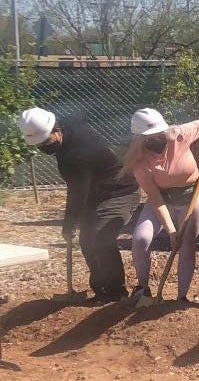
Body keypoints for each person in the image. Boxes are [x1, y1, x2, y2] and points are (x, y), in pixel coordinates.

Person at [18, 107, 138, 303]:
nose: (43, 148)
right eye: (39, 144)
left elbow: (77, 195)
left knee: (101, 238)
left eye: (46, 142)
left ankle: (116, 291)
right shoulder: (69, 124)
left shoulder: (76, 156)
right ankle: (101, 289)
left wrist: (68, 225)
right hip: (95, 192)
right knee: (86, 241)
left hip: (119, 191)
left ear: (57, 130)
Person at [122, 108, 199, 305]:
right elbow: (156, 199)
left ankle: (182, 297)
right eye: (151, 136)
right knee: (140, 239)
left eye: (159, 133)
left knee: (187, 243)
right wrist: (171, 231)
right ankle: (143, 288)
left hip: (193, 194)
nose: (157, 138)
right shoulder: (140, 162)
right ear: (141, 138)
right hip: (163, 199)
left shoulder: (179, 134)